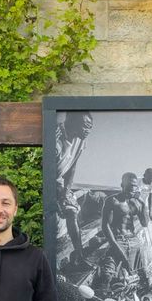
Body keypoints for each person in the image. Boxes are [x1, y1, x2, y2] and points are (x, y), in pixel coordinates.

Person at [95, 172, 150, 291]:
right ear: (122, 185)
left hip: (134, 239)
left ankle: (142, 295)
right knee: (106, 275)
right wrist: (115, 245)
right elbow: (105, 226)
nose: (132, 188)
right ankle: (103, 298)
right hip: (118, 239)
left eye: (134, 186)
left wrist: (143, 204)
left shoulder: (137, 203)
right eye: (129, 185)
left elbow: (145, 223)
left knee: (144, 276)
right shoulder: (112, 201)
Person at [56, 111, 94, 269]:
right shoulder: (54, 138)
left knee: (72, 211)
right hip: (45, 180)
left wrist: (66, 192)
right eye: (85, 126)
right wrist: (56, 197)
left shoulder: (81, 140)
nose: (88, 131)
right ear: (72, 122)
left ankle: (79, 255)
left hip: (58, 181)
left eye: (90, 128)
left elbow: (72, 167)